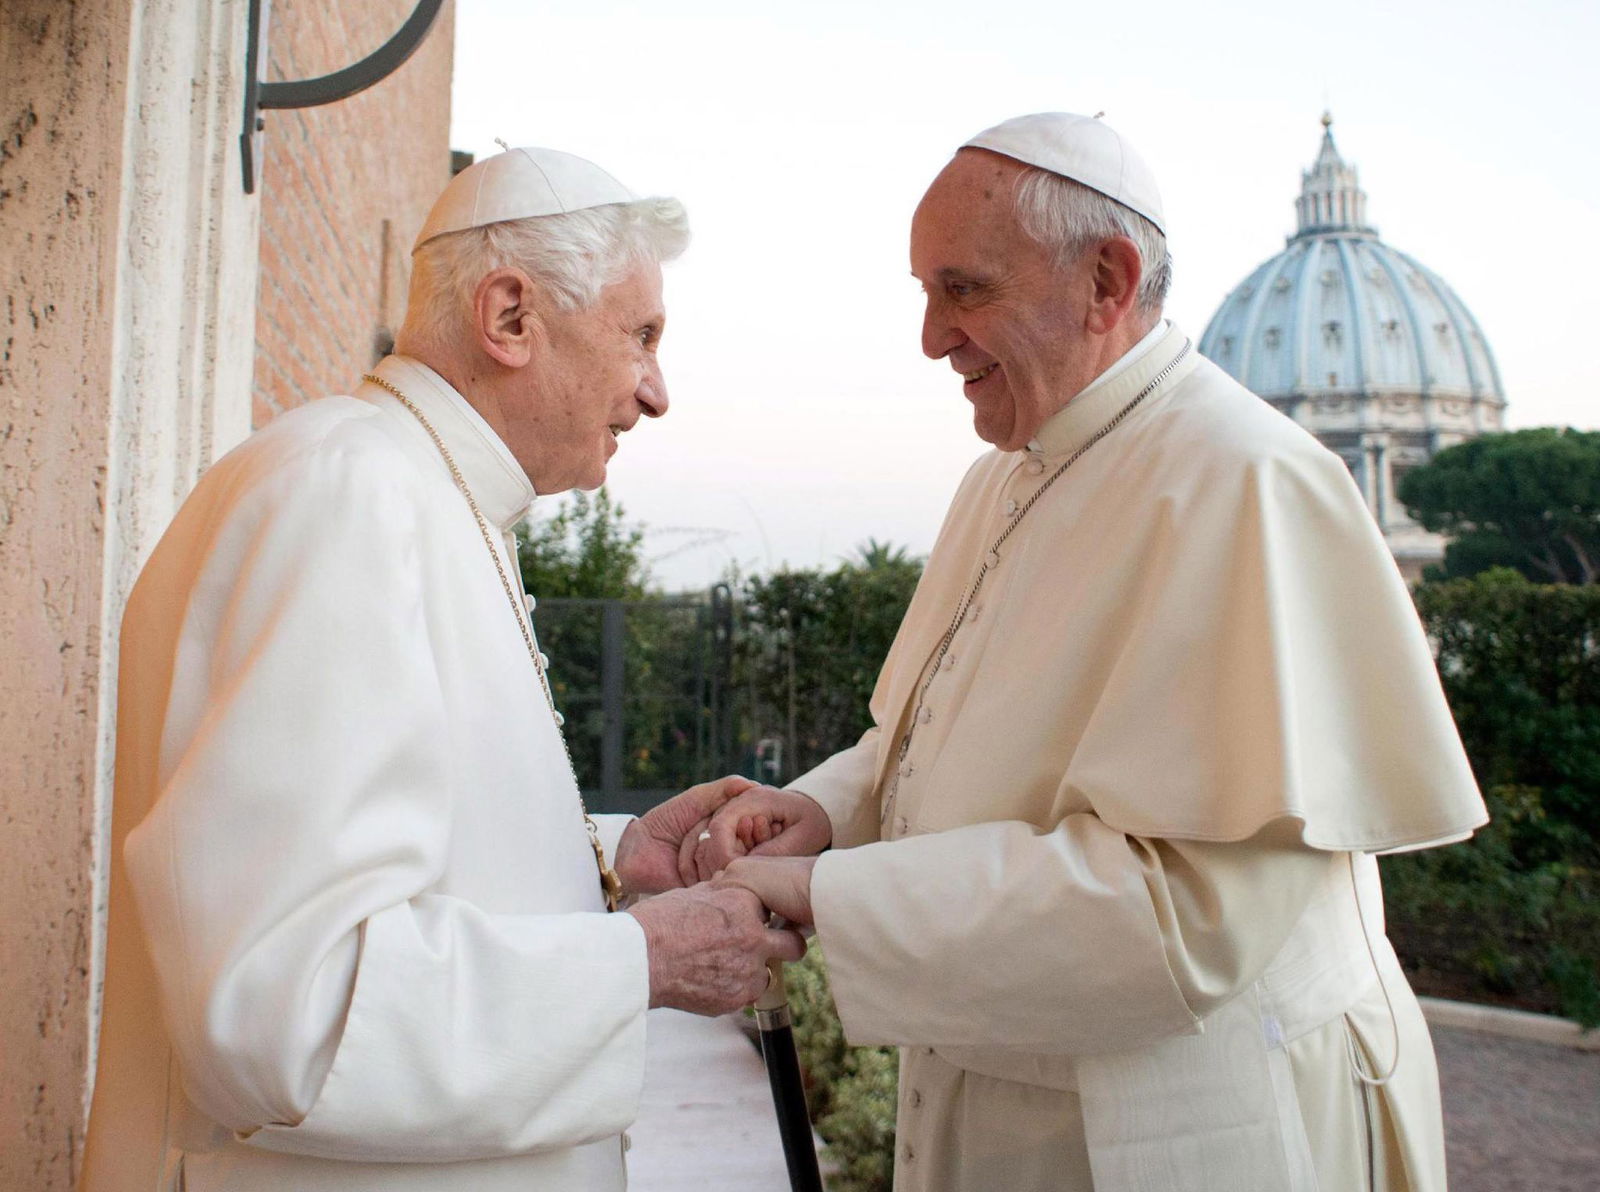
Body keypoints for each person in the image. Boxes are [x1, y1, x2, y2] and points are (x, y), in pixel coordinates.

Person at [698, 113, 1487, 1191]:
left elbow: (1188, 914)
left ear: (1105, 282)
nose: (931, 336)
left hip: (1183, 1125)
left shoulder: (1245, 481)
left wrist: (830, 895)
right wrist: (832, 812)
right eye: (924, 292)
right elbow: (935, 737)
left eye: (963, 290)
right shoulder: (1007, 472)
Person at [80, 147, 802, 1192]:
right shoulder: (350, 497)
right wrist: (638, 959)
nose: (655, 391)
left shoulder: (419, 495)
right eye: (639, 334)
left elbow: (413, 862)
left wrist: (610, 869)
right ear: (510, 316)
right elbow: (286, 1009)